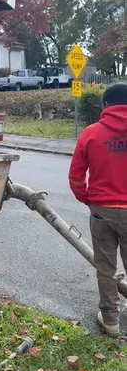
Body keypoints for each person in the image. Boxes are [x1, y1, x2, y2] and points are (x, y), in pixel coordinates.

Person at [68, 83, 127, 337]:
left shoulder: (91, 134)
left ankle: (111, 321)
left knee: (106, 268)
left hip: (101, 210)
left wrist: (88, 199)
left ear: (105, 106)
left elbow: (76, 176)